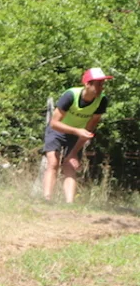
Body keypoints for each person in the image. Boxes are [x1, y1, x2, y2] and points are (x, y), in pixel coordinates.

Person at [41, 68, 112, 203]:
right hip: (57, 130)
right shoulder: (70, 95)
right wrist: (77, 131)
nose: (101, 88)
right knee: (53, 162)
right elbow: (54, 123)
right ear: (87, 84)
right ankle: (47, 199)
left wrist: (74, 153)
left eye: (102, 84)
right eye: (98, 84)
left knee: (70, 165)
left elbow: (90, 127)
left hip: (78, 133)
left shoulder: (102, 101)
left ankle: (70, 204)